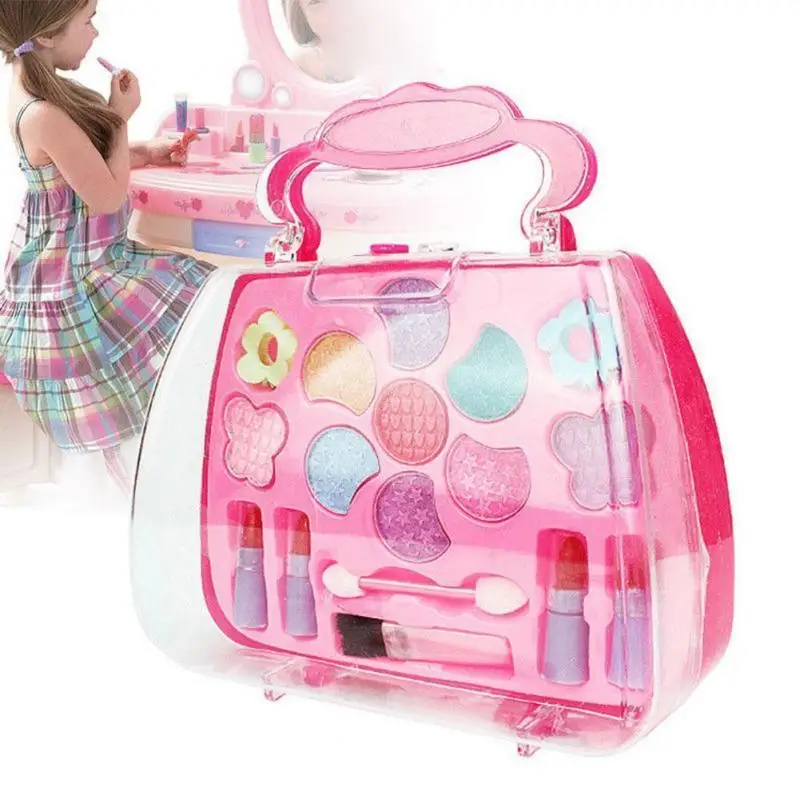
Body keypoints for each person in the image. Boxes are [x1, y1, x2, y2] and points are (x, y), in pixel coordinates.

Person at [0, 0, 215, 495]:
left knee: (189, 297)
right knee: (196, 297)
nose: (95, 32)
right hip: (74, 280)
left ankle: (149, 463)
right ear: (48, 36)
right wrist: (119, 119)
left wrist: (146, 152)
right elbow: (106, 197)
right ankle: (145, 474)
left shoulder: (35, 89)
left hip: (79, 262)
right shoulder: (42, 113)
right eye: (87, 21)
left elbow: (80, 165)